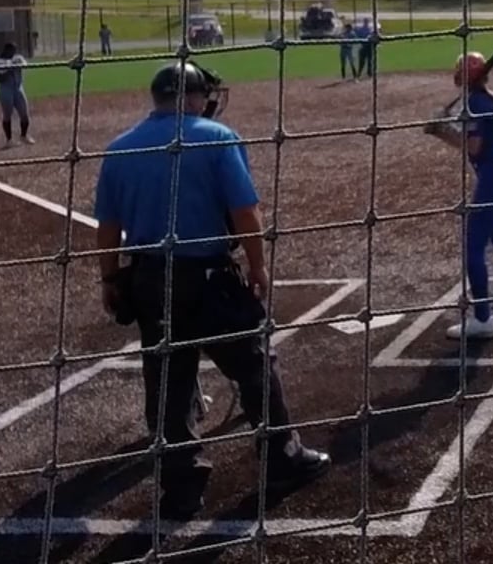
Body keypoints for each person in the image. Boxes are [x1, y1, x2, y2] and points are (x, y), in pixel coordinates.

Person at [94, 62, 329, 521]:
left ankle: (182, 489)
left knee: (168, 384)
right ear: (193, 96)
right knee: (255, 366)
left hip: (150, 280)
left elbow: (108, 226)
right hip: (207, 279)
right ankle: (283, 457)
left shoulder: (121, 147)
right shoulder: (217, 137)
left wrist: (109, 279)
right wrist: (258, 266)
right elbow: (245, 212)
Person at [428, 51, 493, 341]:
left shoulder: (476, 102)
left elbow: (474, 147)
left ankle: (483, 320)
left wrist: (442, 131)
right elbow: (477, 142)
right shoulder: (487, 98)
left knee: (473, 248)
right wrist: (447, 128)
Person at [0, 42, 32, 145]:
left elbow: (24, 65)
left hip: (18, 89)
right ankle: (9, 140)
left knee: (24, 113)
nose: (13, 52)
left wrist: (13, 65)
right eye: (11, 50)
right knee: (7, 115)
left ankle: (24, 136)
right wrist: (8, 69)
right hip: (6, 90)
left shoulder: (18, 58)